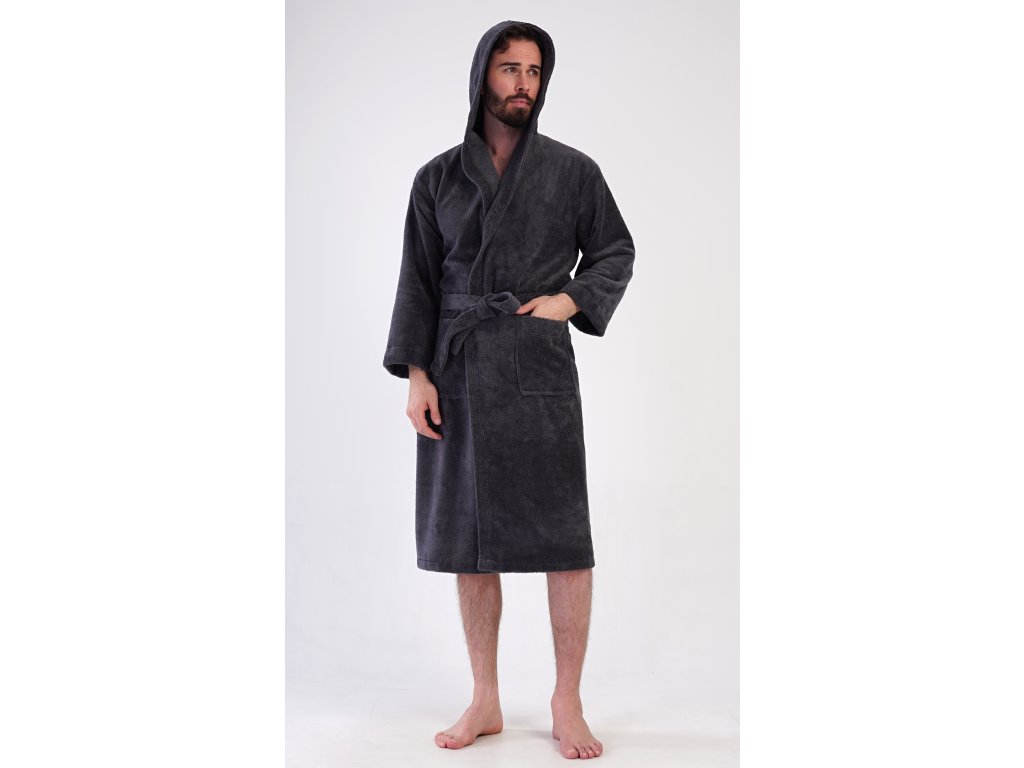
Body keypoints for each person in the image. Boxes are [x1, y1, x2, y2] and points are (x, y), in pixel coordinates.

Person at [382, 20, 635, 760]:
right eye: (509, 68)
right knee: (471, 544)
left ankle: (566, 699)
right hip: (457, 369)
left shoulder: (572, 171)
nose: (523, 82)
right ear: (481, 77)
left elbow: (615, 249)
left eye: (533, 70)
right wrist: (418, 376)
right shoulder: (437, 178)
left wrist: (570, 300)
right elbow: (418, 282)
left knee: (566, 540)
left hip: (536, 369)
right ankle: (485, 698)